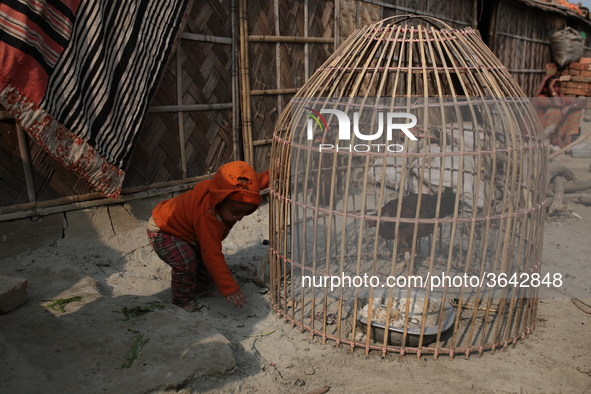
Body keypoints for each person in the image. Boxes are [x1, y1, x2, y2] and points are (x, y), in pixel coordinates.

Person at [146, 161, 269, 311]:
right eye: (235, 213)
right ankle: (181, 301)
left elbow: (255, 184)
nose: (240, 218)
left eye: (245, 212)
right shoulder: (208, 216)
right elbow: (211, 253)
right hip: (163, 231)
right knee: (186, 262)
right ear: (219, 201)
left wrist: (272, 174)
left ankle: (200, 288)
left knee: (204, 265)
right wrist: (230, 288)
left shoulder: (226, 189)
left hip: (189, 233)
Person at [534, 75, 585, 149]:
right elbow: (556, 104)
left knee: (576, 111)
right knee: (554, 111)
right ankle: (547, 143)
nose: (557, 89)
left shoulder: (561, 98)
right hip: (542, 132)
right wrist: (552, 90)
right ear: (545, 89)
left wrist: (568, 107)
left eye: (558, 86)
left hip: (556, 131)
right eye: (554, 87)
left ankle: (567, 141)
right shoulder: (540, 98)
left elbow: (581, 103)